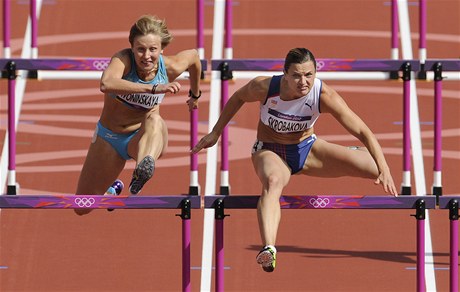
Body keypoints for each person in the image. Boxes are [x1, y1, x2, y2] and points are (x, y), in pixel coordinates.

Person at [191, 48, 398, 272]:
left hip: (307, 149)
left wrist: (384, 168)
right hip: (270, 151)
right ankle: (269, 248)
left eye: (309, 75)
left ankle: (356, 154)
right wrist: (215, 132)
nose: (303, 82)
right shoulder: (266, 87)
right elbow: (238, 97)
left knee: (374, 168)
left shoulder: (323, 95)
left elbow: (363, 131)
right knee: (272, 181)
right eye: (297, 75)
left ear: (316, 73)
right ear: (285, 74)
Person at [75, 15, 202, 215]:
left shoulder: (171, 66)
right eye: (140, 49)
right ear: (132, 48)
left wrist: (195, 94)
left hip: (144, 137)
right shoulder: (123, 60)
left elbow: (194, 57)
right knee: (82, 207)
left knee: (154, 119)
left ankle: (142, 169)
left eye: (153, 49)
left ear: (162, 49)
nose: (146, 56)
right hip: (110, 138)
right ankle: (112, 189)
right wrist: (152, 89)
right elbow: (106, 83)